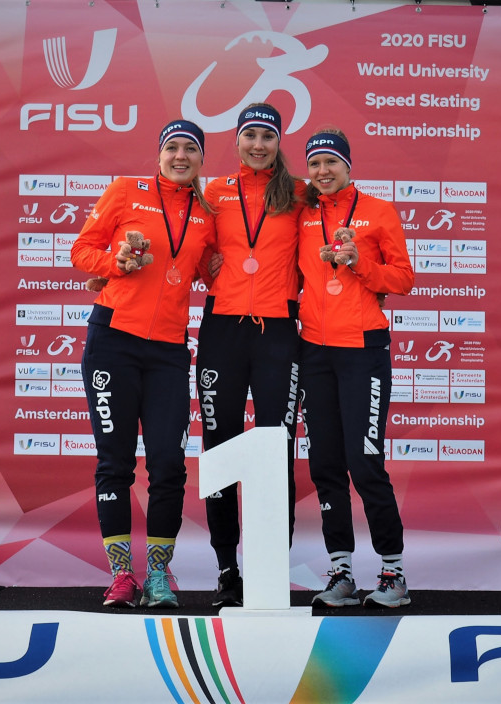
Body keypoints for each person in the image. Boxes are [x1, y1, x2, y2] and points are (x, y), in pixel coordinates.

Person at [70, 119, 216, 608]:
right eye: (171, 147)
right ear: (158, 154)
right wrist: (115, 265)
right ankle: (120, 576)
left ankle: (157, 574)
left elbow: (205, 267)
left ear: (201, 159)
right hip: (113, 341)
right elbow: (82, 250)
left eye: (190, 150)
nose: (180, 156)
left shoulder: (206, 211)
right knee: (114, 463)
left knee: (169, 466)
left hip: (170, 351)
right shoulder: (125, 190)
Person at [296, 129, 414, 608]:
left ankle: (393, 575)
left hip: (362, 348)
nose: (323, 171)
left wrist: (360, 262)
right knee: (325, 466)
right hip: (314, 351)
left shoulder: (378, 210)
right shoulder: (302, 213)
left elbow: (403, 278)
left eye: (331, 162)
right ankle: (341, 572)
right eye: (315, 163)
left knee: (364, 464)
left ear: (348, 166)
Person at [197, 103, 305, 607]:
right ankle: (226, 567)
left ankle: (270, 565)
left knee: (275, 447)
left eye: (267, 135)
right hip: (222, 329)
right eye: (249, 135)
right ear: (237, 140)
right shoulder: (213, 190)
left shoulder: (299, 193)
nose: (257, 144)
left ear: (278, 141)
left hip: (279, 333)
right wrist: (205, 266)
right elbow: (189, 247)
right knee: (219, 447)